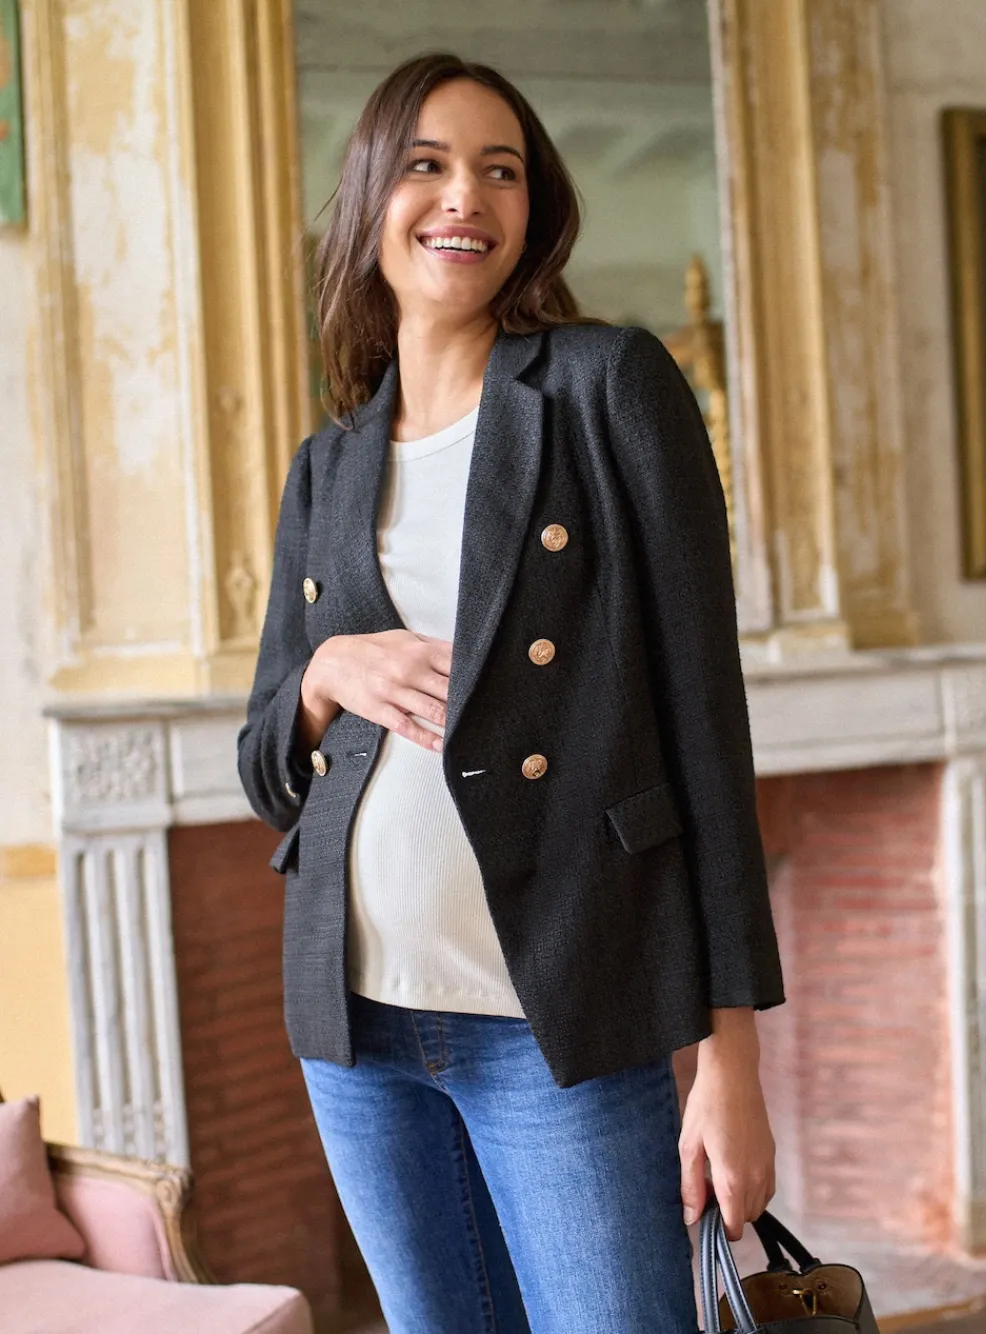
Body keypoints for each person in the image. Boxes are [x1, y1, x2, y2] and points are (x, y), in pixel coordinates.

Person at [238, 50, 783, 1334]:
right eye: (426, 165)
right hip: (356, 1027)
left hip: (560, 1023)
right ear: (370, 200)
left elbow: (704, 726)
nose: (463, 197)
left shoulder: (606, 386)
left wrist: (730, 1056)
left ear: (533, 210)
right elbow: (265, 766)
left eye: (501, 170)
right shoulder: (327, 463)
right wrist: (323, 673)